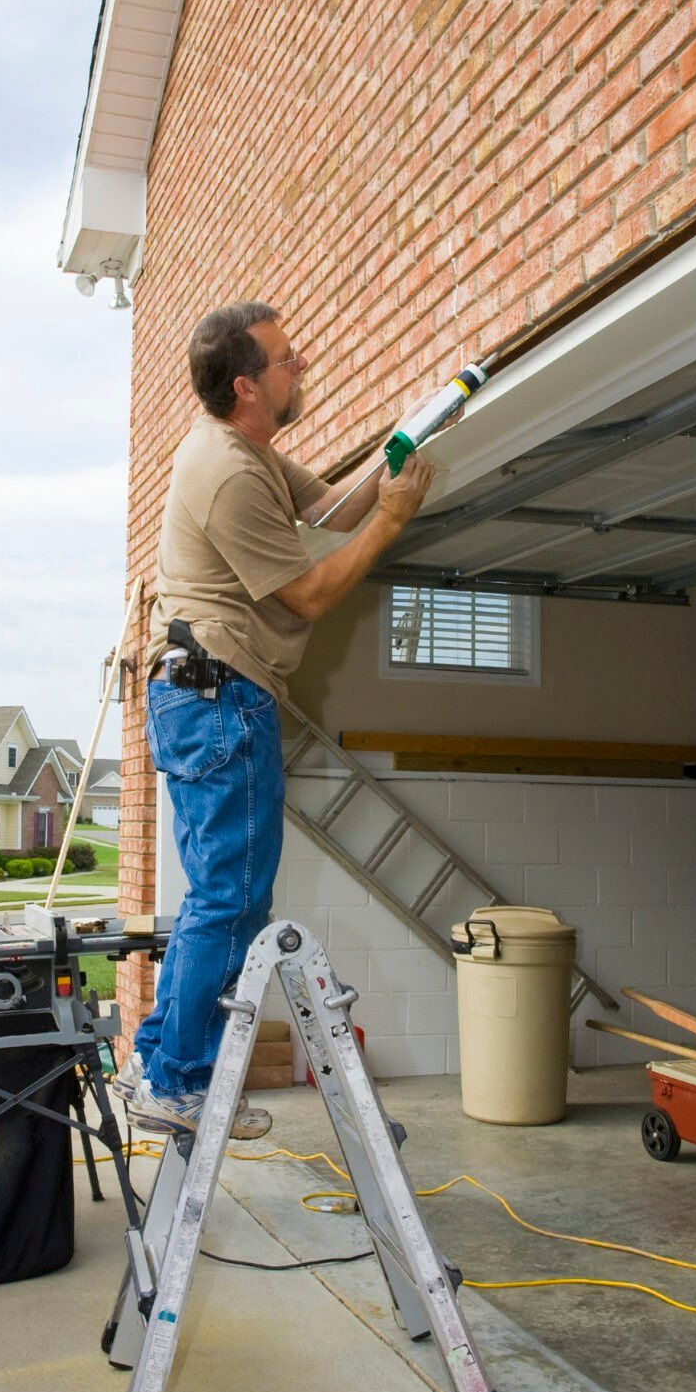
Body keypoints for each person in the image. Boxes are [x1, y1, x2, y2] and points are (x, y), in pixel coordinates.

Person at [116, 301, 434, 1137]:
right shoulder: (226, 472)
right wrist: (395, 519)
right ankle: (180, 1081)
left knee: (214, 899)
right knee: (231, 899)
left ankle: (161, 1062)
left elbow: (330, 512)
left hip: (201, 692)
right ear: (249, 385)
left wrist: (397, 449)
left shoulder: (248, 453)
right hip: (217, 694)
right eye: (290, 360)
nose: (305, 368)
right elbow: (314, 590)